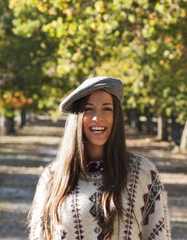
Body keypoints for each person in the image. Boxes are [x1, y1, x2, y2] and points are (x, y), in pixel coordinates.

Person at [28, 76, 171, 240]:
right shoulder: (52, 177)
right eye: (89, 109)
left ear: (116, 116)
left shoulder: (143, 173)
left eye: (107, 109)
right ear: (77, 117)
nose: (98, 117)